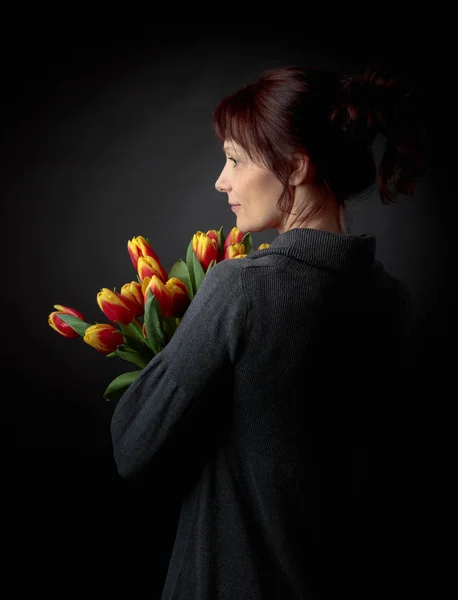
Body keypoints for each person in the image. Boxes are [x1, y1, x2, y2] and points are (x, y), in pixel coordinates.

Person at [110, 65, 429, 599]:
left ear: (297, 166)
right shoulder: (388, 297)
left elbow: (134, 444)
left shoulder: (241, 289)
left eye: (235, 159)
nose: (222, 179)